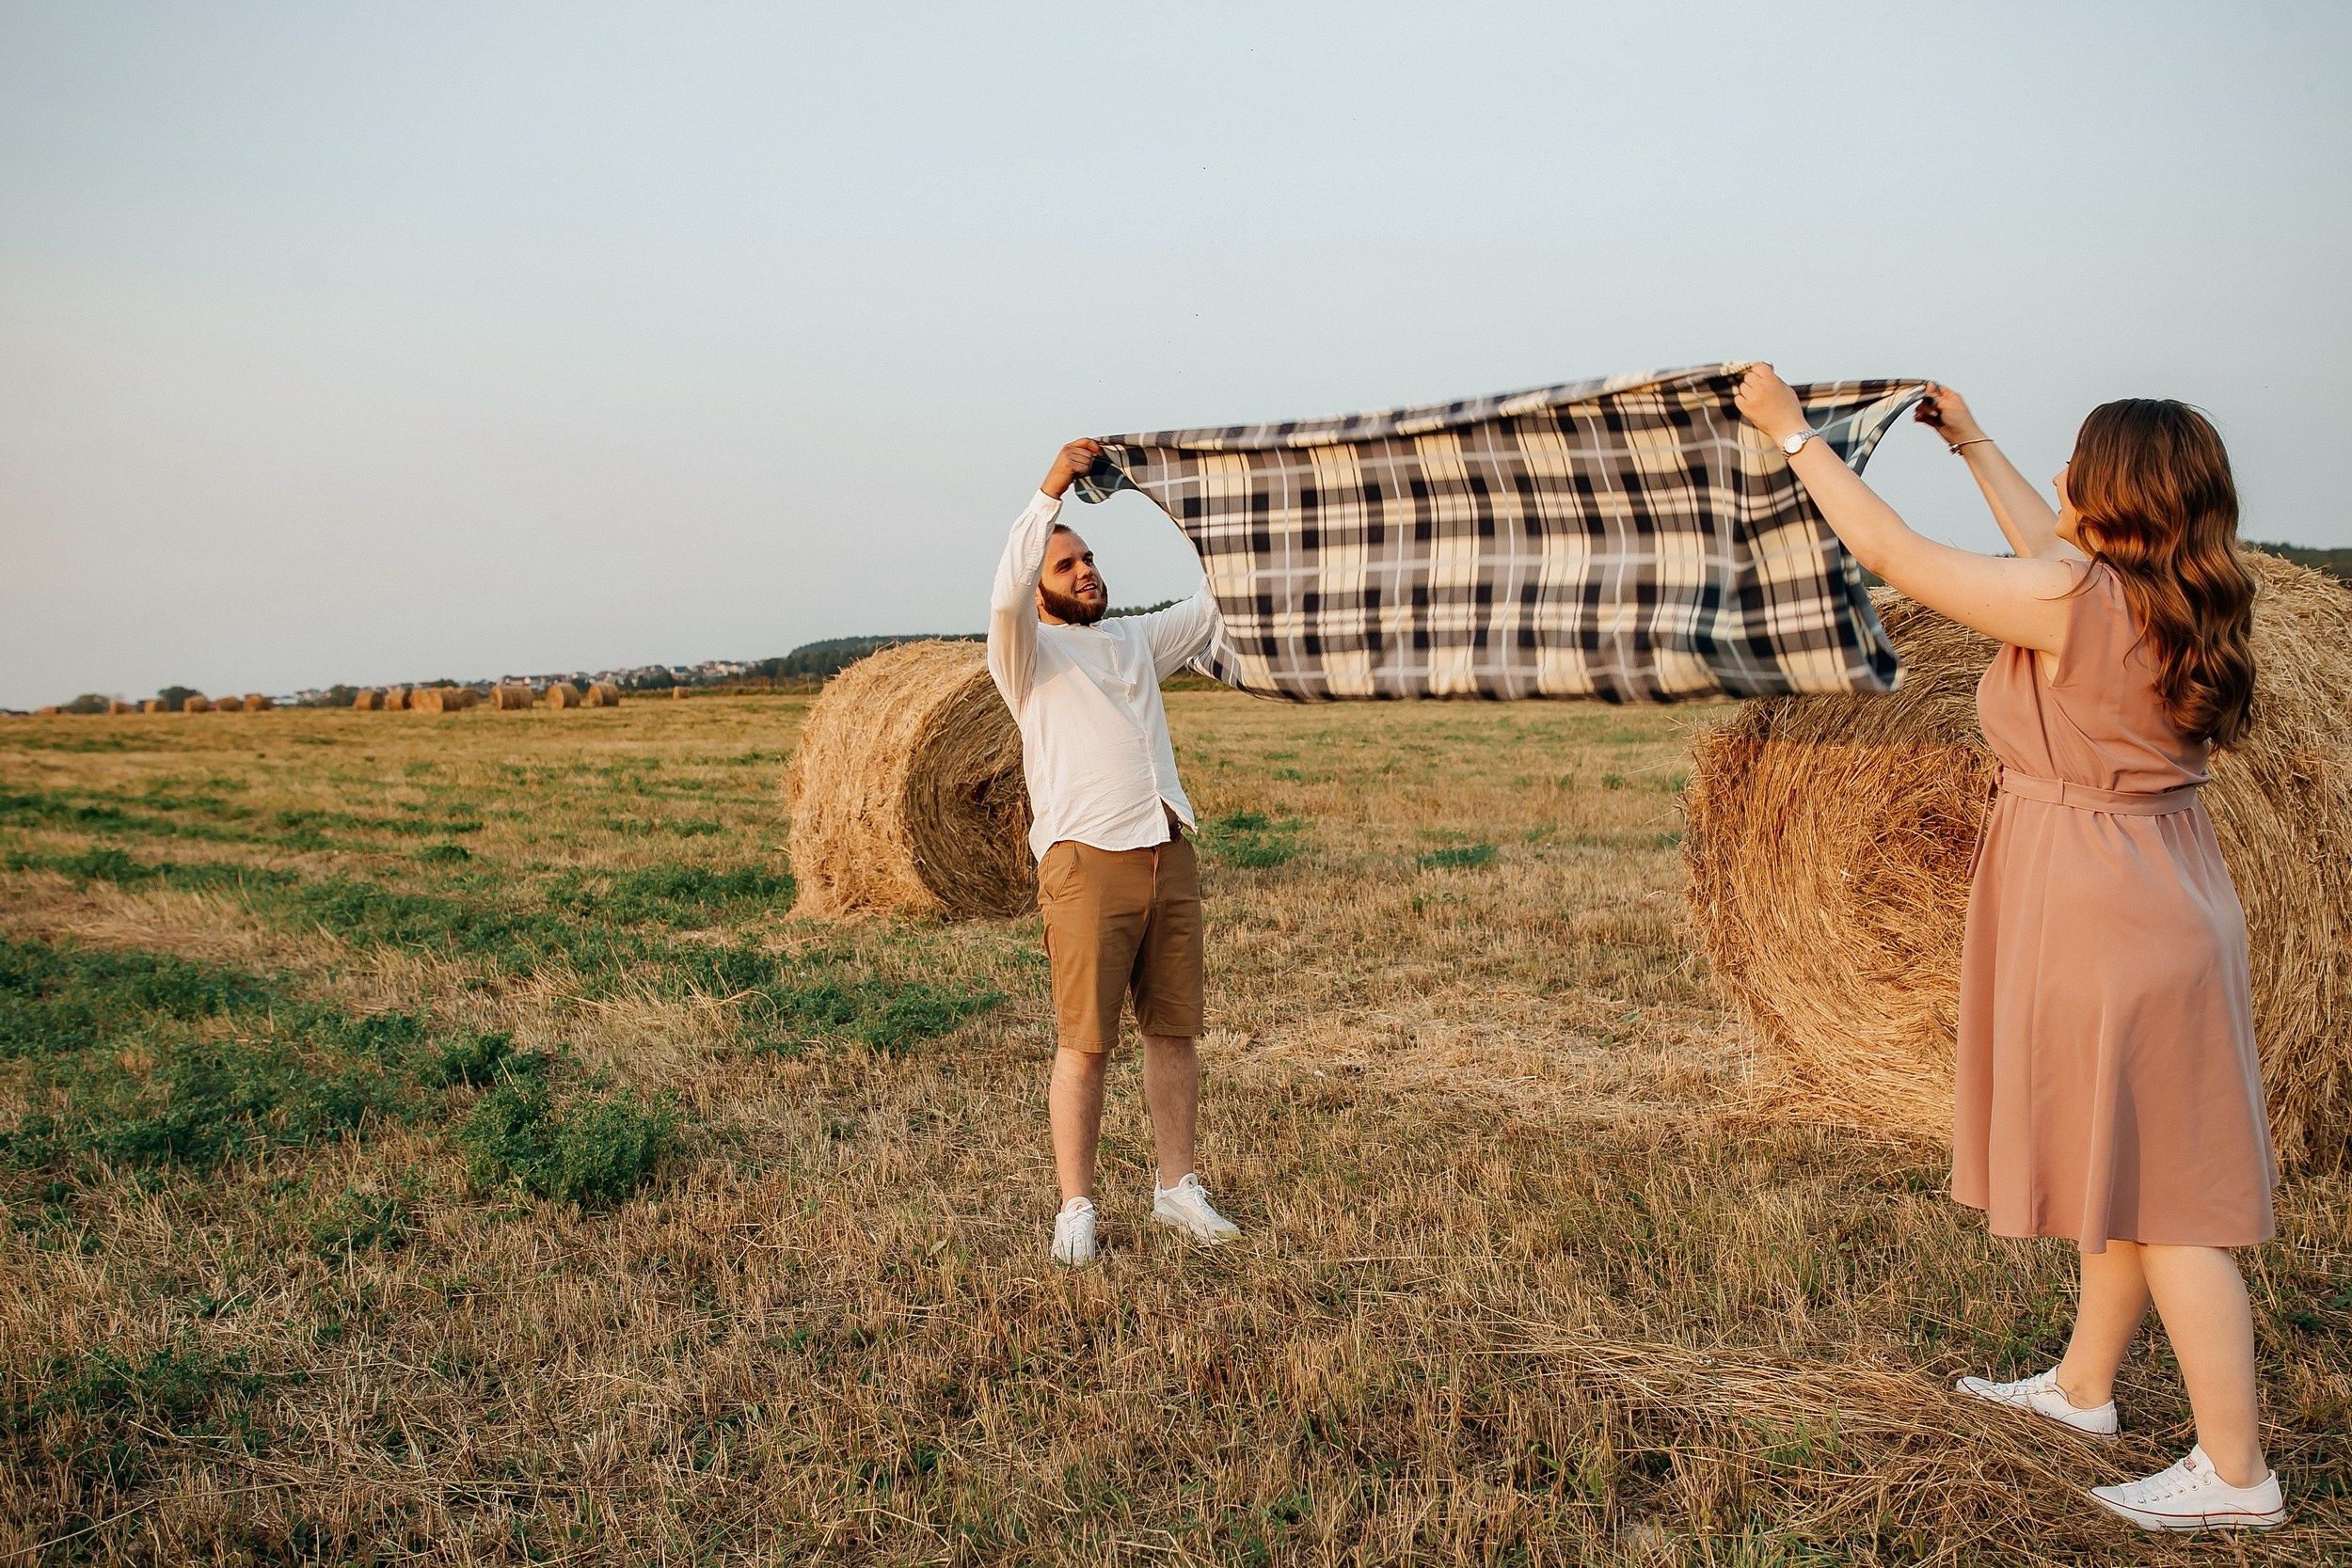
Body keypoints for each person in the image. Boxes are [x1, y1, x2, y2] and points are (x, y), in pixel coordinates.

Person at [1734, 368, 2283, 1532]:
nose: (2060, 475)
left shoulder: (2073, 603)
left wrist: (1792, 439)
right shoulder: (2155, 594)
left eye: (2076, 462)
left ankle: (2237, 1473)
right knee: (2124, 1170)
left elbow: (1894, 555)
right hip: (2157, 892)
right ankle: (2085, 1387)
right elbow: (2044, 552)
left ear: (2114, 491)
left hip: (2108, 916)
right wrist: (1972, 440)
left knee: (2168, 1203)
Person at [986, 437, 1244, 1268]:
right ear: (1039, 588)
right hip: (1085, 861)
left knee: (1174, 1031)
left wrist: (1220, 514)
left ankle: (1177, 1188)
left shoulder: (1135, 640)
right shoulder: (1025, 656)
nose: (1087, 570)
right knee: (1086, 1041)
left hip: (1168, 848)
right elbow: (1005, 585)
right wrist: (1055, 489)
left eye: (1090, 557)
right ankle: (1077, 1206)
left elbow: (1214, 604)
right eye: (1067, 565)